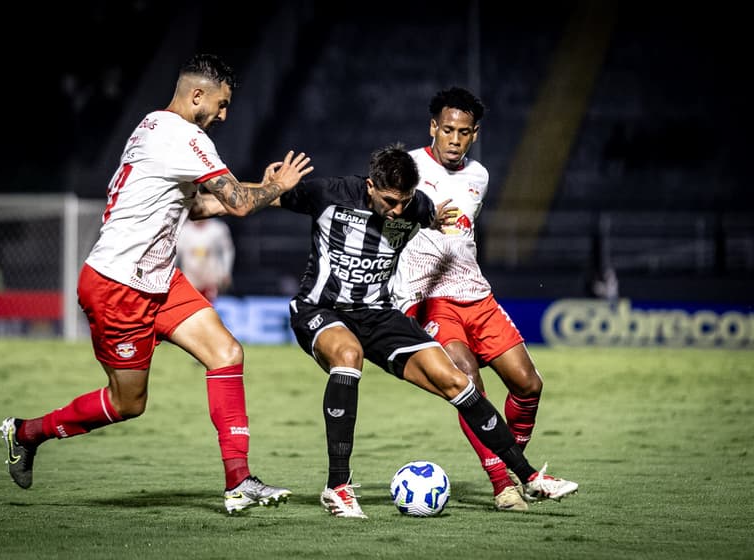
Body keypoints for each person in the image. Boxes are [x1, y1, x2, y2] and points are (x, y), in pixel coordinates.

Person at [190, 143, 578, 518]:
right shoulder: (330, 193)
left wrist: (434, 218)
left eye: (404, 202)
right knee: (348, 356)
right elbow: (238, 202)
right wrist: (210, 201)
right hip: (320, 309)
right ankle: (338, 487)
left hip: (378, 314)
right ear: (371, 186)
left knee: (457, 381)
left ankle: (528, 477)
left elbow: (425, 214)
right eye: (389, 201)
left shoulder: (416, 206)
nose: (396, 211)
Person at [0, 53, 313, 515]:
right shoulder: (185, 136)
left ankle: (239, 481)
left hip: (159, 278)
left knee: (226, 353)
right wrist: (276, 187)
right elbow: (240, 205)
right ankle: (26, 433)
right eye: (221, 105)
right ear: (197, 95)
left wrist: (258, 191)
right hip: (117, 286)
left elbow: (203, 207)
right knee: (129, 404)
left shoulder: (153, 126)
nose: (224, 116)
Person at [391, 86, 549, 512]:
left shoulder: (479, 176)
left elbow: (462, 237)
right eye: (447, 130)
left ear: (474, 134)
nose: (454, 139)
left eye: (463, 132)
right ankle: (503, 485)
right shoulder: (408, 167)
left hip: (477, 295)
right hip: (431, 300)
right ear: (432, 128)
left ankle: (514, 465)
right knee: (468, 385)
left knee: (529, 385)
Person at [176, 217, 235, 302]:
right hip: (190, 278)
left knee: (208, 306)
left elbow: (227, 250)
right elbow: (176, 253)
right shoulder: (183, 230)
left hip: (210, 278)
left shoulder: (218, 228)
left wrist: (226, 272)